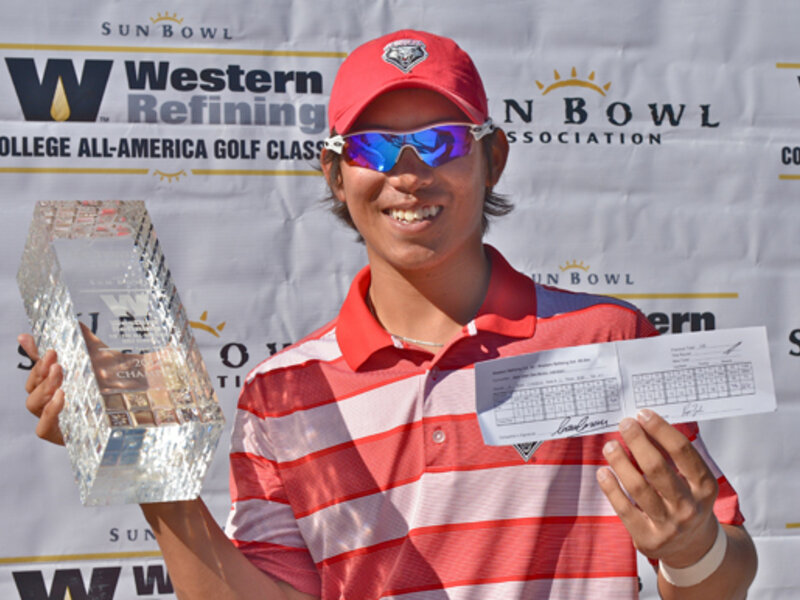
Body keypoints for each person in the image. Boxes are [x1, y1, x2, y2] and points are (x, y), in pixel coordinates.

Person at [22, 29, 757, 599]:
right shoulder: (282, 395)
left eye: (441, 141)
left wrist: (690, 549)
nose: (409, 173)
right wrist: (144, 469)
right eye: (375, 147)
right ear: (335, 174)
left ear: (493, 159)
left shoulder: (605, 338)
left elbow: (726, 572)